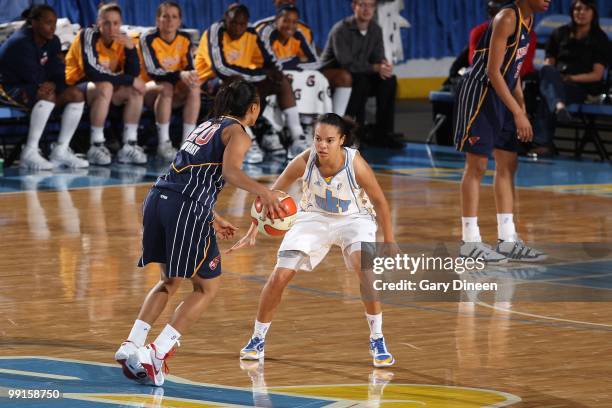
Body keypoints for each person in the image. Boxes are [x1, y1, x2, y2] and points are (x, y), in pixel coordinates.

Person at [114, 78, 287, 386]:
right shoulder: (239, 132)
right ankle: (158, 352)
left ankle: (131, 343)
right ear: (253, 108)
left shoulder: (206, 126)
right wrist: (265, 192)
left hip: (158, 199)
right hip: (184, 208)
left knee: (170, 280)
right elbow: (229, 172)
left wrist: (212, 215)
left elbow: (189, 174)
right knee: (206, 287)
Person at [230, 113, 396, 368]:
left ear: (342, 140)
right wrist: (254, 227)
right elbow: (273, 194)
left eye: (329, 140)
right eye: (318, 139)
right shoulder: (305, 160)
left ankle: (377, 338)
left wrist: (389, 240)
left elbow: (381, 202)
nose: (322, 145)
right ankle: (257, 339)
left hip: (355, 219)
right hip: (313, 218)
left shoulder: (355, 163)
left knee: (365, 269)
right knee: (279, 275)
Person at [454, 0, 550, 262]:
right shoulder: (507, 17)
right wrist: (517, 113)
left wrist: (522, 108)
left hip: (503, 96)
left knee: (508, 164)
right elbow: (493, 72)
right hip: (481, 95)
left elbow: (513, 72)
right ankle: (469, 242)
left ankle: (507, 239)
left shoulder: (529, 22)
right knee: (477, 167)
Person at [195, 4, 308, 162]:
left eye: (242, 24)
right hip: (208, 83)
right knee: (236, 82)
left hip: (243, 81)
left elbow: (271, 64)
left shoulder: (252, 34)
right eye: (233, 22)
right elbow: (221, 68)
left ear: (247, 22)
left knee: (280, 81)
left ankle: (298, 139)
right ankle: (247, 140)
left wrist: (275, 74)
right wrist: (259, 74)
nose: (237, 27)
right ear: (225, 19)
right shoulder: (215, 31)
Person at [0, 5, 88, 170]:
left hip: (34, 85)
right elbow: (34, 76)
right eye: (48, 22)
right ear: (34, 23)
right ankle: (30, 152)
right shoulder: (20, 42)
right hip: (8, 89)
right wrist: (48, 81)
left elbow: (58, 73)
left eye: (54, 23)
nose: (53, 27)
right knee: (46, 95)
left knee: (76, 94)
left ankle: (61, 150)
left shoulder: (53, 41)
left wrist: (54, 82)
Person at [65, 2, 147, 165]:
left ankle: (129, 146)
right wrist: (129, 80)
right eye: (106, 23)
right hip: (76, 87)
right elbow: (92, 72)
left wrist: (130, 49)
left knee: (134, 91)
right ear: (98, 23)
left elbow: (133, 74)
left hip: (106, 90)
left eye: (115, 23)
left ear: (121, 24)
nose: (111, 28)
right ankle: (96, 145)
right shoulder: (87, 34)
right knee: (106, 86)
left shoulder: (123, 39)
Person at [320, 0, 402, 149]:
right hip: (335, 74)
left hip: (362, 73)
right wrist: (375, 68)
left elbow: (377, 58)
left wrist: (383, 66)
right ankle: (356, 133)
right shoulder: (341, 29)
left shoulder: (375, 29)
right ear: (354, 7)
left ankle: (383, 133)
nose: (367, 9)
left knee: (389, 81)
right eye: (363, 5)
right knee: (360, 81)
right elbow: (346, 63)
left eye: (371, 5)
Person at [533, 0, 610, 156]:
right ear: (572, 11)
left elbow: (597, 75)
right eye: (578, 9)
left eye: (586, 9)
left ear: (593, 13)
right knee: (547, 77)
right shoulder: (559, 33)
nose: (581, 12)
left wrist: (570, 79)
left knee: (546, 93)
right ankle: (559, 106)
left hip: (581, 87)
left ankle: (542, 144)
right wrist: (557, 77)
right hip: (556, 80)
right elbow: (549, 64)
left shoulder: (600, 39)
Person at [259, 5, 353, 117]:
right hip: (267, 74)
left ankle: (334, 121)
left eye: (294, 22)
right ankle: (282, 126)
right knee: (286, 78)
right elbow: (271, 64)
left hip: (292, 73)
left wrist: (292, 62)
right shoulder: (266, 32)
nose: (290, 26)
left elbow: (316, 62)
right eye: (286, 21)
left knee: (316, 78)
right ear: (276, 20)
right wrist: (297, 60)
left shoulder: (298, 33)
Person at [140, 1, 201, 161]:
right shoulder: (148, 38)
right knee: (166, 87)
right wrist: (180, 74)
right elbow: (154, 71)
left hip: (175, 91)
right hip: (149, 89)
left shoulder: (184, 38)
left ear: (179, 21)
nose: (169, 20)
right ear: (157, 20)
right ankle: (163, 144)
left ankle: (187, 144)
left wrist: (190, 75)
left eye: (174, 17)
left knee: (194, 86)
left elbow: (189, 67)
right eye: (165, 16)